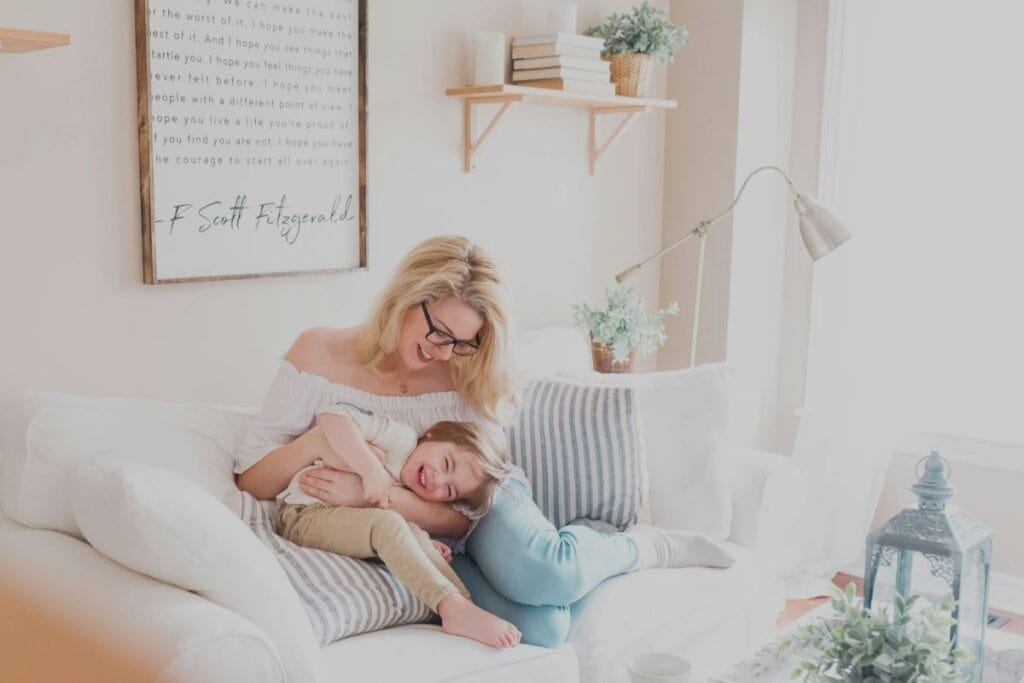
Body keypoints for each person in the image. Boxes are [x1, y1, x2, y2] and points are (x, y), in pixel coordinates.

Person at [234, 235, 733, 648]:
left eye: (460, 342)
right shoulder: (318, 353)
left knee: (548, 575)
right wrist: (321, 442)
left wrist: (378, 492)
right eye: (437, 330)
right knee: (545, 629)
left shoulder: (463, 372)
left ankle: (637, 548)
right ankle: (569, 559)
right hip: (413, 529)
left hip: (476, 492)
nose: (440, 351)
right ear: (405, 298)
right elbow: (251, 478)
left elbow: (463, 511)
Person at [276, 404, 519, 649]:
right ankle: (450, 607)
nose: (438, 479)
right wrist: (370, 470)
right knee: (388, 524)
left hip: (345, 524)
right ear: (435, 433)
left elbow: (386, 524)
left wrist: (419, 542)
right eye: (446, 463)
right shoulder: (400, 440)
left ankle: (462, 606)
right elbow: (332, 416)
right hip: (304, 515)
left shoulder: (417, 490)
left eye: (449, 490)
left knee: (411, 533)